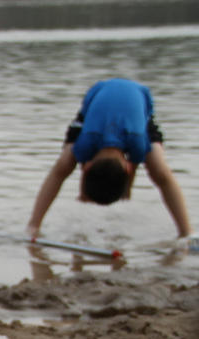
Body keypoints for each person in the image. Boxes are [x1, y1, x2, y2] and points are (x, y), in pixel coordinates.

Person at [26, 78, 193, 243]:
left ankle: (186, 232)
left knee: (160, 170)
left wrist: (128, 188)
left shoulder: (137, 142)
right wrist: (83, 193)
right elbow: (123, 166)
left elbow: (133, 163)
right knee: (65, 164)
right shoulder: (85, 145)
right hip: (95, 101)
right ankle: (33, 225)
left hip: (140, 105)